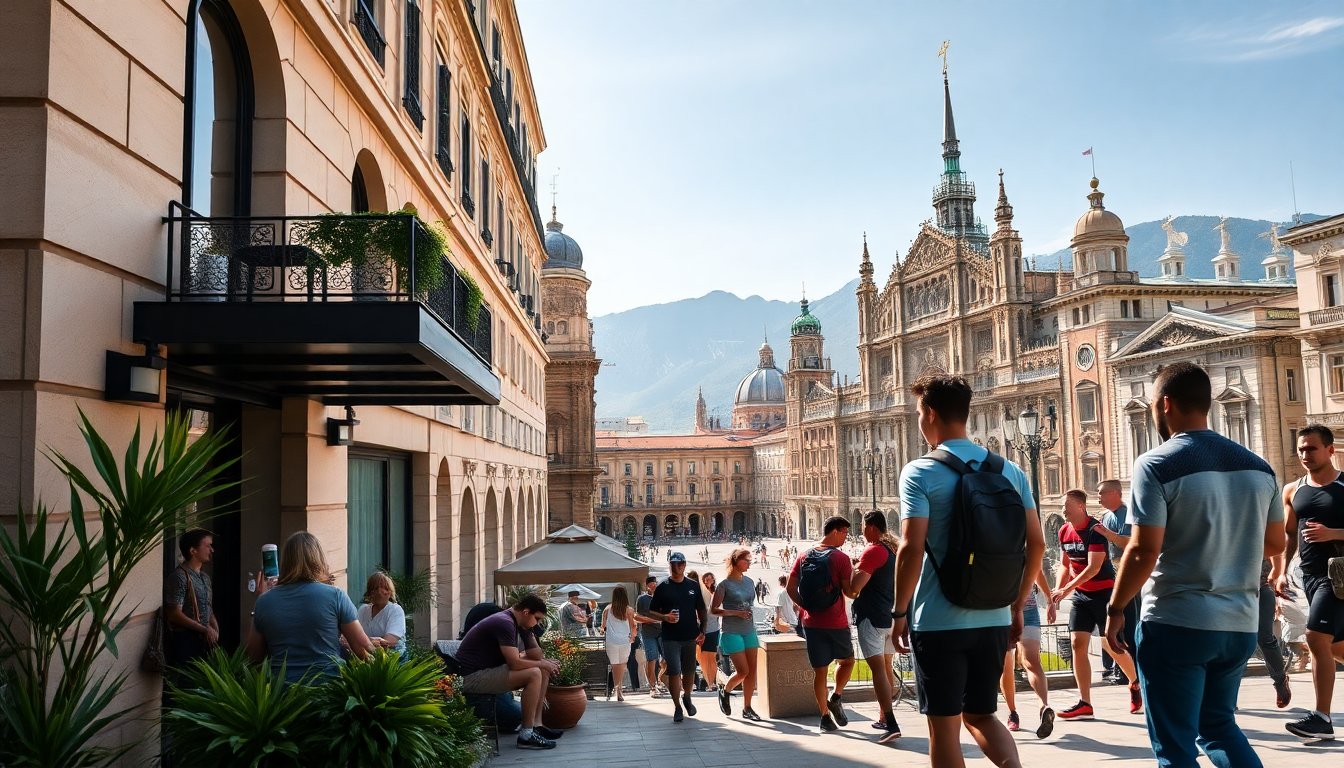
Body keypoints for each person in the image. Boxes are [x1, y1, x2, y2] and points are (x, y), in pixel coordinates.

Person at [1104, 362, 1285, 767]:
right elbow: (1275, 542)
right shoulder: (1259, 466)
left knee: (1175, 746)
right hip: (1238, 622)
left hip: (1177, 621)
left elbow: (1142, 550)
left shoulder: (1155, 463)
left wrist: (1116, 609)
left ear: (1164, 404)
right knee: (1219, 727)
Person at [893, 375, 1043, 768]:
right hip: (994, 616)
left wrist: (898, 613)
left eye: (919, 413)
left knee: (944, 729)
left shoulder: (920, 472)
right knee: (982, 715)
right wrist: (1015, 604)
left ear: (931, 414)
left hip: (939, 619)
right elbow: (1037, 545)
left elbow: (909, 549)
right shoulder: (1010, 470)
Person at [1277, 424, 1344, 740]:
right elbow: (1289, 534)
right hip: (1310, 577)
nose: (1305, 454)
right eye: (1301, 448)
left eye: (1312, 448)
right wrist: (1279, 571)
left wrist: (1334, 534)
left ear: (1330, 450)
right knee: (1336, 645)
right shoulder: (1293, 489)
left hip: (1340, 575)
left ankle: (1322, 719)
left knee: (1316, 637)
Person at [1052, 489, 1141, 720]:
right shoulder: (1064, 530)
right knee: (1076, 644)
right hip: (1081, 596)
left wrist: (1066, 588)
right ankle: (1085, 703)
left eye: (1067, 505)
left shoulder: (1095, 530)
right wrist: (1058, 590)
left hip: (1104, 594)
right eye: (1062, 506)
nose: (1063, 510)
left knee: (1112, 645)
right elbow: (1065, 564)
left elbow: (1093, 567)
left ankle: (1136, 683)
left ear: (1081, 506)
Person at [247, 531, 372, 683]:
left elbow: (253, 657)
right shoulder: (336, 596)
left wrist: (260, 602)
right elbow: (364, 649)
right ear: (318, 558)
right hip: (327, 693)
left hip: (282, 697)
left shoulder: (264, 601)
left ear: (285, 561)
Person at [454, 593, 565, 750]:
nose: (538, 624)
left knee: (541, 669)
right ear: (526, 612)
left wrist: (529, 631)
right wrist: (543, 663)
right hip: (471, 677)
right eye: (537, 619)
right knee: (534, 673)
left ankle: (536, 726)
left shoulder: (516, 621)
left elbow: (535, 655)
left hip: (487, 671)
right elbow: (514, 663)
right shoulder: (504, 622)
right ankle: (526, 736)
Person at [786, 516, 856, 733]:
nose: (846, 537)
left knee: (820, 671)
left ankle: (824, 716)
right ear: (835, 531)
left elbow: (790, 588)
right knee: (847, 661)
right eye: (844, 532)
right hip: (835, 621)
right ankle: (836, 696)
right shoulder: (841, 558)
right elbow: (849, 592)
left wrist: (805, 606)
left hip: (811, 622)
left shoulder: (804, 555)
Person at [846, 510, 901, 742]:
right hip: (890, 616)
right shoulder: (891, 550)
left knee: (877, 669)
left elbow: (853, 589)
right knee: (886, 667)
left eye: (862, 527)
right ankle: (882, 715)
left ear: (870, 527)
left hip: (872, 617)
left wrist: (848, 573)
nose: (861, 531)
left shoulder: (873, 551)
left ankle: (891, 722)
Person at [648, 551, 707, 723]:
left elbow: (701, 610)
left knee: (689, 671)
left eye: (679, 564)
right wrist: (665, 617)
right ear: (670, 565)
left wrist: (702, 630)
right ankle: (677, 707)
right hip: (670, 636)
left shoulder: (693, 585)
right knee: (674, 671)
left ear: (684, 565)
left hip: (690, 635)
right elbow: (651, 611)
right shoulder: (663, 586)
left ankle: (687, 696)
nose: (676, 567)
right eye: (673, 564)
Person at [1092, 479, 1138, 685]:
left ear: (1114, 493)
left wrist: (1108, 534)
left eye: (1101, 493)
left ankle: (1130, 670)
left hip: (1127, 576)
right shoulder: (1106, 516)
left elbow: (1131, 543)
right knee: (1112, 625)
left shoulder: (1127, 514)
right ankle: (1114, 667)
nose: (1098, 497)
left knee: (1126, 624)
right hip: (1112, 577)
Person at [998, 575, 1056, 739]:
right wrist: (1050, 599)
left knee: (1006, 663)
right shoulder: (1026, 548)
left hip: (1003, 611)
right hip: (1028, 609)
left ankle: (1013, 713)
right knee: (1032, 662)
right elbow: (1037, 571)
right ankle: (1044, 706)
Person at [713, 548, 763, 721]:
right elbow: (714, 609)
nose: (749, 563)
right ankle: (725, 690)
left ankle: (747, 708)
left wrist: (746, 612)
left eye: (750, 560)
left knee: (752, 672)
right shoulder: (724, 584)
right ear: (735, 562)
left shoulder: (749, 581)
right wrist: (735, 613)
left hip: (749, 629)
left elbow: (749, 603)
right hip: (731, 631)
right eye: (746, 560)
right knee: (743, 671)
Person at [163, 528, 219, 673]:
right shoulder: (180, 577)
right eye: (207, 546)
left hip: (204, 641)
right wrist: (204, 629)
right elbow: (174, 614)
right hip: (186, 641)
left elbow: (207, 606)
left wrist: (214, 627)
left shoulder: (205, 578)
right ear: (193, 551)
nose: (211, 550)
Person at [356, 571, 406, 657]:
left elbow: (389, 642)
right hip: (367, 656)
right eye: (375, 588)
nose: (379, 592)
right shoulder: (363, 610)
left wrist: (364, 641)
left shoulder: (395, 610)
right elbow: (352, 636)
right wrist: (370, 642)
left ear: (390, 593)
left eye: (385, 588)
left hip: (392, 659)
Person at [601, 586, 637, 702]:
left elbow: (603, 626)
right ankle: (619, 689)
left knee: (615, 665)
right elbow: (633, 626)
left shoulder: (607, 609)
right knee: (622, 665)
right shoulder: (629, 610)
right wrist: (632, 638)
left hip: (611, 641)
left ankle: (618, 689)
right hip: (625, 641)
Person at [635, 575, 666, 697]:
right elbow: (636, 616)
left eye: (654, 583)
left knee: (667, 659)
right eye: (650, 583)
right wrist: (651, 620)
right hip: (648, 633)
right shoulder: (641, 599)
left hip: (663, 632)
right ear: (646, 586)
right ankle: (652, 687)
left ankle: (660, 680)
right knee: (651, 658)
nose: (653, 585)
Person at [696, 571, 722, 692]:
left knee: (711, 656)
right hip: (701, 629)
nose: (708, 582)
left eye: (710, 579)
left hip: (713, 628)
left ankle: (712, 682)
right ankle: (708, 681)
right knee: (702, 657)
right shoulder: (699, 593)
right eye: (706, 580)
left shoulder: (716, 593)